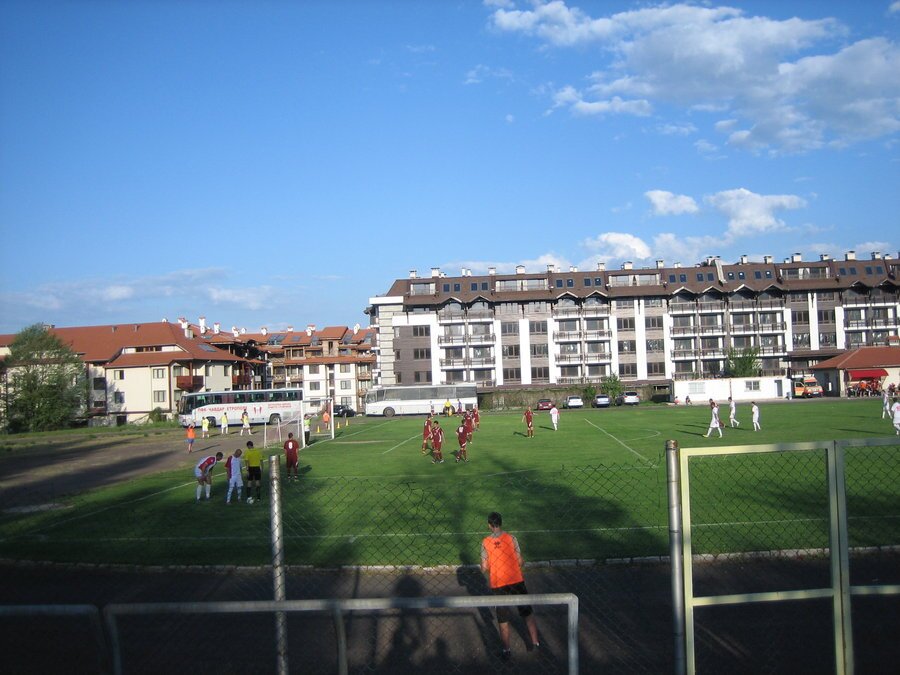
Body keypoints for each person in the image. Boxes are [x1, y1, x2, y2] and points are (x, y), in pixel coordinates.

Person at [481, 511, 540, 662]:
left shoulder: (485, 542)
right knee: (527, 613)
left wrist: (489, 566)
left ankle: (506, 650)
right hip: (516, 580)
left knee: (503, 619)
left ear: (489, 525)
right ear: (501, 523)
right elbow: (520, 561)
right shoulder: (511, 538)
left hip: (498, 583)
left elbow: (484, 567)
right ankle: (535, 643)